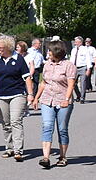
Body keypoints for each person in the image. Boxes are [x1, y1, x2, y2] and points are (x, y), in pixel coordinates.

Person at [30, 40, 77, 168]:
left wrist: (66, 99)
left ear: (57, 51)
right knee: (47, 126)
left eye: (49, 50)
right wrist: (36, 98)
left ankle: (62, 156)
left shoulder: (68, 65)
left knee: (62, 129)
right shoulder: (47, 65)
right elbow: (43, 82)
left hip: (63, 100)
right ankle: (45, 157)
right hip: (47, 100)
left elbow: (71, 84)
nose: (48, 53)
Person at [0, 35, 34, 161]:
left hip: (17, 94)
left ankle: (18, 150)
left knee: (15, 121)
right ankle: (9, 148)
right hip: (1, 95)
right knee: (6, 123)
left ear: (8, 47)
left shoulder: (18, 59)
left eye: (0, 47)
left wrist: (30, 94)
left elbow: (27, 77)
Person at [70, 36, 91, 103]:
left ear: (80, 42)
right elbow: (72, 59)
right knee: (73, 83)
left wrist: (88, 69)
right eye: (75, 42)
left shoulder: (85, 49)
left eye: (76, 42)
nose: (75, 43)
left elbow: (88, 59)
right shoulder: (73, 50)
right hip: (74, 68)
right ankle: (78, 95)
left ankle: (82, 98)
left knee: (83, 83)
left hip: (83, 67)